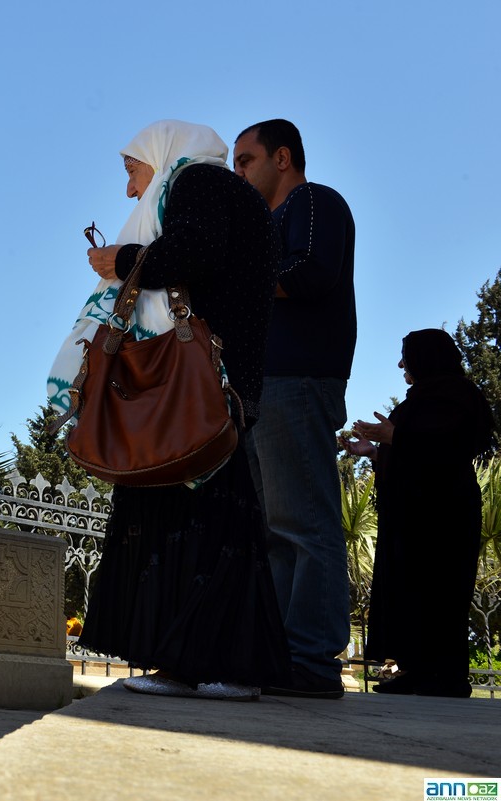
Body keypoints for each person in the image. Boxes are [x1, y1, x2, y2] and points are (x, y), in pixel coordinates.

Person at [61, 120, 290, 700]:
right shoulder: (223, 191)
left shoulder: (197, 184)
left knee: (200, 518)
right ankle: (209, 666)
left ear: (159, 154)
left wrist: (127, 259)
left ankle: (209, 667)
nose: (131, 189)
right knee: (219, 520)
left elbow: (197, 251)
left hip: (199, 385)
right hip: (219, 382)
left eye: (132, 170)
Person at [232, 119, 356, 699]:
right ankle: (285, 655)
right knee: (276, 530)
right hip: (266, 387)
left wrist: (237, 283)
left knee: (304, 522)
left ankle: (311, 659)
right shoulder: (266, 225)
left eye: (245, 160)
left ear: (282, 157)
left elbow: (310, 273)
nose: (239, 172)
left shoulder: (314, 201)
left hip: (299, 382)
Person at [342, 329, 495, 698]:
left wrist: (395, 437)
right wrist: (376, 452)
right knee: (410, 591)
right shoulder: (426, 399)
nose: (400, 364)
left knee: (439, 590)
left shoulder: (457, 397)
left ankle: (443, 676)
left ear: (425, 357)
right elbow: (417, 451)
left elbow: (449, 445)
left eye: (406, 356)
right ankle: (416, 671)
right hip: (413, 516)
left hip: (445, 515)